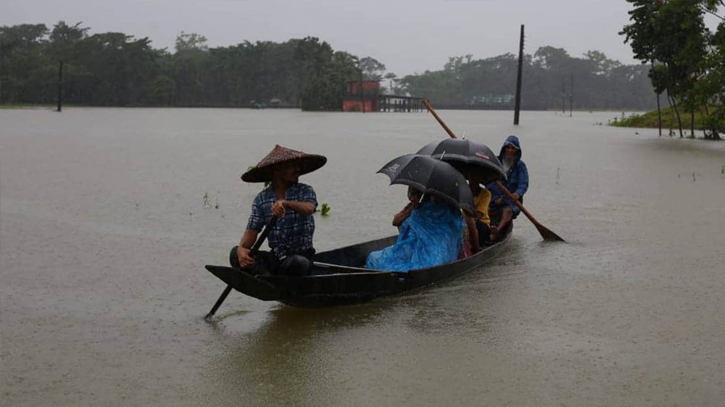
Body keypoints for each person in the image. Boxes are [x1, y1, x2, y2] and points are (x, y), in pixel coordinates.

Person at [230, 145, 326, 276]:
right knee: (234, 254)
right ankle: (267, 278)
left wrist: (286, 203)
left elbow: (309, 208)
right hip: (276, 258)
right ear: (276, 169)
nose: (297, 170)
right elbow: (250, 234)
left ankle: (273, 280)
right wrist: (242, 250)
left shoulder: (304, 190)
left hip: (301, 257)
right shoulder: (262, 199)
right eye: (292, 166)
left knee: (297, 263)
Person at [366, 192, 465, 272]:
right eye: (433, 195)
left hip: (438, 244)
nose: (435, 199)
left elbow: (450, 233)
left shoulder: (451, 212)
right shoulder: (420, 206)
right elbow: (396, 221)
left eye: (439, 196)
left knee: (434, 262)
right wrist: (415, 207)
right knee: (375, 257)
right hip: (414, 243)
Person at [488, 135, 528, 240]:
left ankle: (497, 231)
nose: (510, 151)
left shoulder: (520, 166)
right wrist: (495, 199)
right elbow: (488, 182)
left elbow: (523, 184)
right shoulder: (495, 162)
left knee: (507, 212)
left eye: (512, 148)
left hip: (511, 201)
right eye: (508, 148)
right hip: (494, 199)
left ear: (516, 151)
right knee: (485, 210)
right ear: (504, 149)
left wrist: (517, 194)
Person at [465, 170, 492, 253]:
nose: (474, 180)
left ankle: (477, 248)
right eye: (471, 177)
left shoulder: (485, 193)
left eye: (476, 177)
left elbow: (479, 214)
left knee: (477, 226)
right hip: (465, 220)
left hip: (481, 222)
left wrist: (468, 220)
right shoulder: (463, 191)